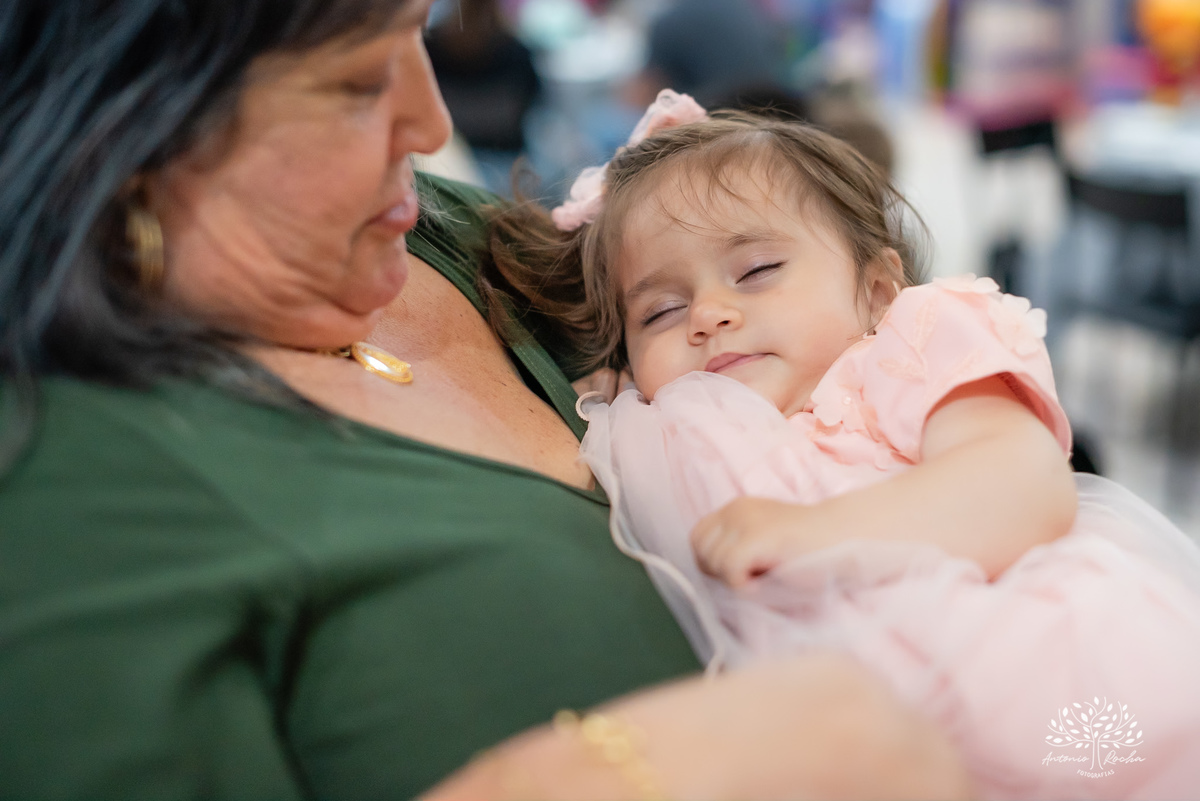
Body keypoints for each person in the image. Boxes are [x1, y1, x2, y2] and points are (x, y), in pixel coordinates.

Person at [0, 1, 974, 799]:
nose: (430, 124)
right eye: (353, 81)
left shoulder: (445, 236)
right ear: (124, 123)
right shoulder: (60, 480)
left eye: (413, 38)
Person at [485, 90, 1200, 799]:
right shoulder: (660, 417)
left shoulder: (906, 348)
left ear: (878, 287)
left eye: (758, 270)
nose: (707, 314)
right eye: (660, 310)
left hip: (1032, 659)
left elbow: (1022, 483)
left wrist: (812, 531)